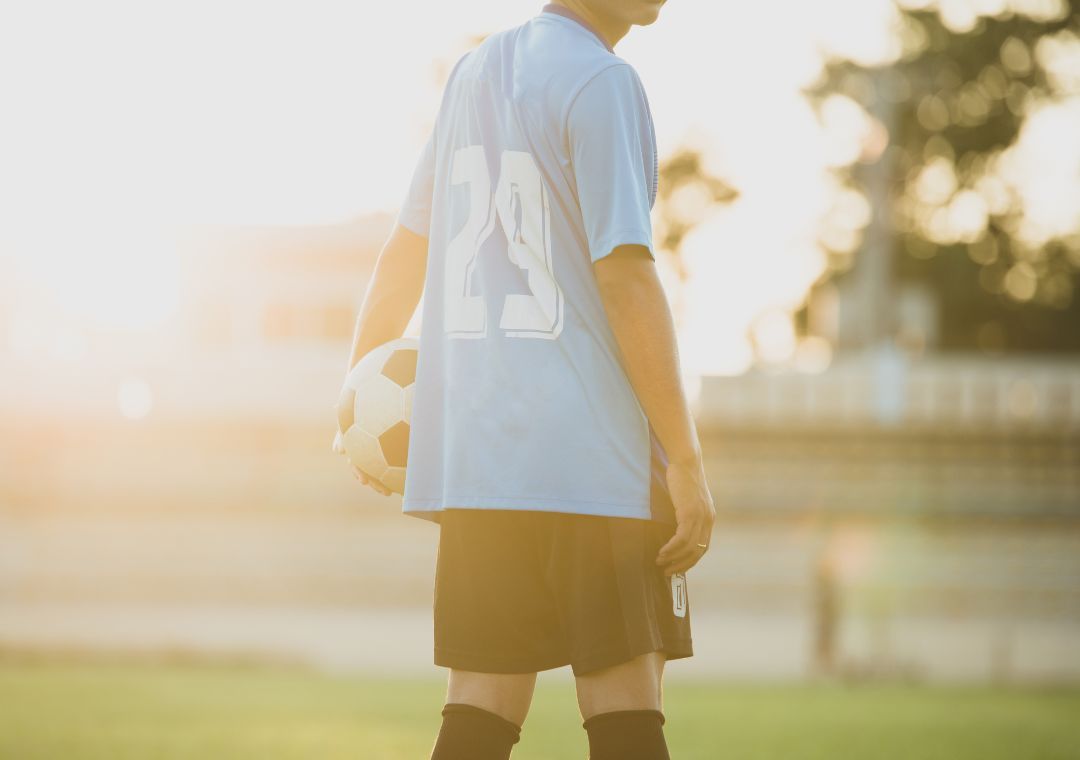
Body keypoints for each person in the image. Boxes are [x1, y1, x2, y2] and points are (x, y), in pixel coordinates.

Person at [340, 2, 716, 758]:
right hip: (594, 464)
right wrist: (685, 460)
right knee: (625, 706)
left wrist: (356, 399)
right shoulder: (602, 81)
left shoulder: (473, 75)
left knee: (481, 705)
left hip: (482, 468)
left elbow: (405, 251)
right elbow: (626, 278)